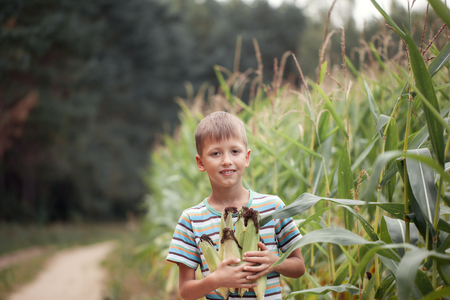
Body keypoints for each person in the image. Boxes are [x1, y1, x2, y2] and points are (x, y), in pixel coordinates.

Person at [166, 111, 305, 300]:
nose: (226, 161)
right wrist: (217, 280)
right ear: (200, 163)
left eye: (235, 151)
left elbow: (299, 266)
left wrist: (275, 262)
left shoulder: (274, 207)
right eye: (215, 153)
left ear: (246, 158)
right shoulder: (191, 219)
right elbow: (186, 291)